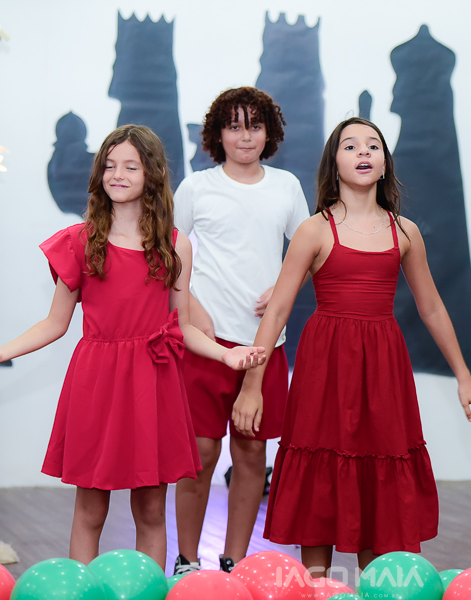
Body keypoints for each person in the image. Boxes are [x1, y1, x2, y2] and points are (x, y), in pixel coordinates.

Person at [0, 125, 265, 568]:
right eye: (110, 166)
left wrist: (226, 354)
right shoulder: (79, 241)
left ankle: (148, 592)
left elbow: (183, 326)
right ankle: (82, 591)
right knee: (91, 509)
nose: (118, 174)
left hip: (153, 383)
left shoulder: (175, 244)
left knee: (151, 509)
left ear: (151, 174)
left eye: (130, 166)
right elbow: (55, 323)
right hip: (97, 381)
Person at [234, 117, 471, 576]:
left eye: (373, 145)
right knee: (320, 468)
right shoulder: (314, 229)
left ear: (385, 164)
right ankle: (318, 587)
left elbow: (432, 308)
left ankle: (375, 585)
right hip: (326, 363)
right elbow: (278, 309)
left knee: (379, 475)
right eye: (351, 146)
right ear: (334, 163)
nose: (364, 152)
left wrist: (464, 377)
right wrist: (253, 385)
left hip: (383, 365)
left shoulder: (405, 232)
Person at [172, 87, 309, 574]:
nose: (245, 136)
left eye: (254, 125)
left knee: (251, 454)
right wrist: (191, 308)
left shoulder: (286, 187)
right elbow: (166, 255)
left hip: (266, 344)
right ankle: (187, 560)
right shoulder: (196, 188)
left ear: (269, 133)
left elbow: (309, 253)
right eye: (234, 126)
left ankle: (235, 560)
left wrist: (283, 285)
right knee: (200, 453)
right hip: (206, 345)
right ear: (218, 134)